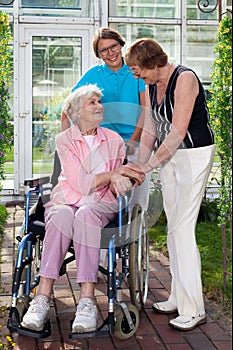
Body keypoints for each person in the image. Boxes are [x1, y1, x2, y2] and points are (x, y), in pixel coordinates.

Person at [21, 84, 145, 334]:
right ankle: (42, 298)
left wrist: (126, 177)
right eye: (92, 102)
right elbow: (80, 182)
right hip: (66, 199)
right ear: (77, 112)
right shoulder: (64, 140)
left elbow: (134, 174)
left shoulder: (114, 140)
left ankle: (87, 300)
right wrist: (113, 173)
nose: (99, 106)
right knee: (62, 214)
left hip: (99, 204)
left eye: (99, 101)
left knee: (86, 215)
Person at [124, 38, 215, 331]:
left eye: (138, 70)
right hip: (169, 158)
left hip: (193, 154)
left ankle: (194, 308)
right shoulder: (152, 85)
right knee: (173, 225)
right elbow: (152, 128)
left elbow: (177, 132)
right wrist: (139, 164)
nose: (136, 75)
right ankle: (178, 296)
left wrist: (149, 165)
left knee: (181, 229)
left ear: (152, 62)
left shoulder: (184, 78)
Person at [61, 27, 150, 214]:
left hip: (134, 140)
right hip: (103, 144)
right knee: (103, 192)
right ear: (98, 54)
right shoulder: (94, 74)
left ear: (121, 45)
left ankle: (135, 231)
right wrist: (69, 140)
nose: (111, 53)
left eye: (114, 46)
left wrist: (133, 140)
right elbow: (67, 109)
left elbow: (145, 110)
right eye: (104, 50)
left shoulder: (134, 70)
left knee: (137, 198)